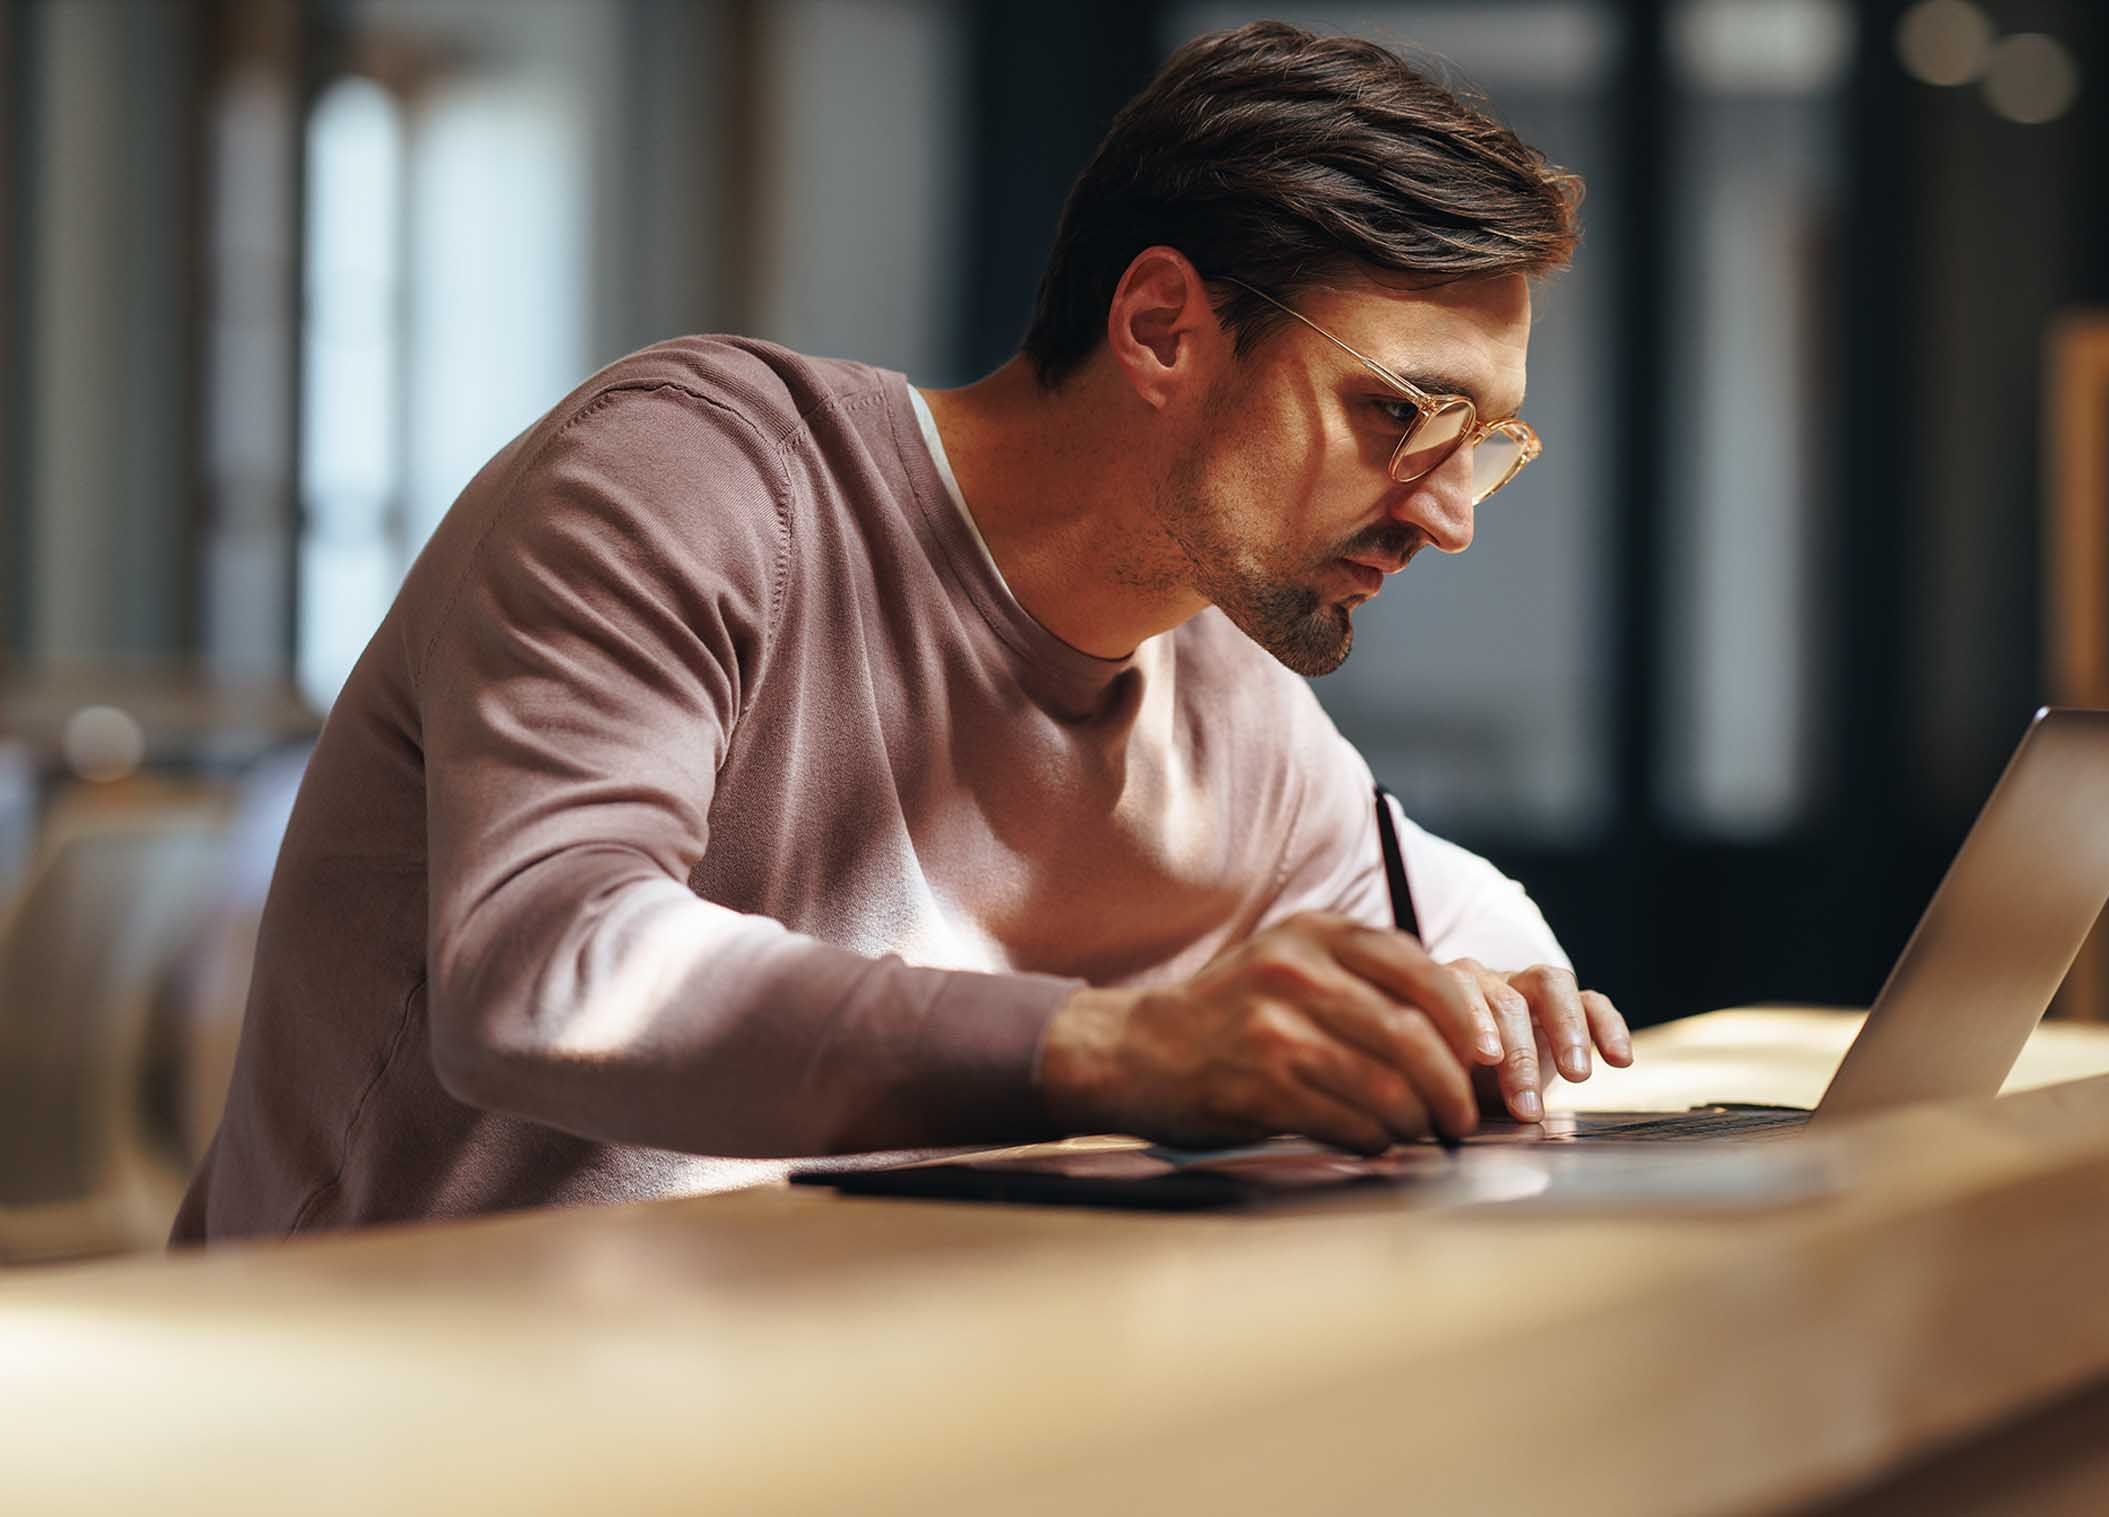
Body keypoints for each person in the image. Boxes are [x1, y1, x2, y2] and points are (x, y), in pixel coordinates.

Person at [174, 20, 1631, 1244]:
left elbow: (1467, 928)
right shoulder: (690, 481)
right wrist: (1116, 1050)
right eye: (1400, 415)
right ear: (1165, 326)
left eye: (1484, 444)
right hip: (358, 1412)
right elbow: (549, 971)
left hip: (770, 1421)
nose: (1448, 517)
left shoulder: (1215, 686)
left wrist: (1498, 1016)